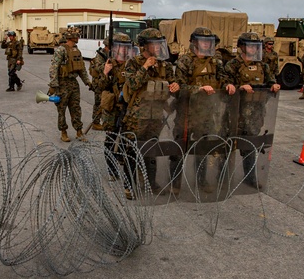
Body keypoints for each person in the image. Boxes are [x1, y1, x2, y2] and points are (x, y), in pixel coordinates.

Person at [172, 26, 235, 191]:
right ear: (195, 42)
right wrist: (198, 89)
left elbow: (223, 78)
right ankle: (175, 183)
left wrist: (228, 85)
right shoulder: (185, 61)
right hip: (187, 113)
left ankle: (201, 181)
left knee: (203, 148)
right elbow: (179, 87)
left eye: (209, 42)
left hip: (207, 113)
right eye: (203, 41)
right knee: (180, 148)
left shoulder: (216, 62)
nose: (207, 45)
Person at [121, 28, 177, 197]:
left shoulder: (164, 66)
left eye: (160, 44)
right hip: (137, 116)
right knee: (132, 150)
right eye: (155, 44)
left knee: (151, 149)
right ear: (144, 46)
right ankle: (129, 185)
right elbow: (133, 84)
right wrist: (145, 67)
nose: (158, 47)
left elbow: (173, 84)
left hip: (156, 116)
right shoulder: (133, 63)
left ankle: (151, 183)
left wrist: (175, 87)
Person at [224, 32, 280, 186]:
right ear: (242, 47)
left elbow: (270, 80)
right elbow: (224, 86)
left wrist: (273, 86)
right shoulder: (232, 65)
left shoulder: (263, 66)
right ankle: (222, 178)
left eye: (256, 46)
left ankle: (250, 178)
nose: (254, 49)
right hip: (237, 112)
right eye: (250, 46)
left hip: (256, 112)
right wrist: (239, 87)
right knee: (229, 145)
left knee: (250, 145)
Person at [91, 33, 134, 183]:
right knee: (110, 139)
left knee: (127, 138)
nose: (122, 50)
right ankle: (112, 170)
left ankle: (122, 160)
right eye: (119, 47)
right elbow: (99, 87)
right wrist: (105, 72)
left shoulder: (131, 64)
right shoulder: (108, 63)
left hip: (128, 107)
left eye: (125, 47)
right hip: (112, 108)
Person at [47, 29, 91, 142]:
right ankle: (63, 132)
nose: (78, 37)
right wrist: (53, 84)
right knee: (62, 109)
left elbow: (81, 69)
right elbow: (54, 68)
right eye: (76, 35)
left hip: (73, 83)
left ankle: (79, 131)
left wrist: (87, 82)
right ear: (71, 37)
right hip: (62, 83)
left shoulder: (77, 51)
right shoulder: (60, 50)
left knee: (76, 108)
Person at [87, 37, 111, 131]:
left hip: (105, 81)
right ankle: (95, 122)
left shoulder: (108, 54)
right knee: (99, 103)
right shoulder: (100, 56)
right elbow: (98, 68)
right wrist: (107, 66)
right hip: (98, 83)